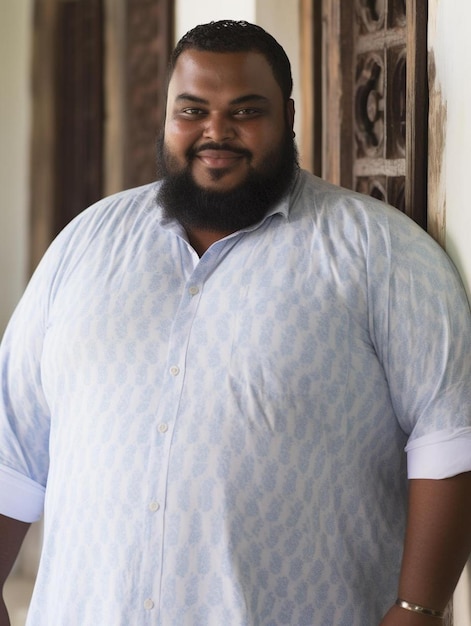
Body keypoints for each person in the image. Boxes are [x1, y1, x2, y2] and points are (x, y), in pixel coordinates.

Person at [1, 19, 471, 626]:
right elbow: (13, 442)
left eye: (246, 111)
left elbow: (450, 437)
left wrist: (418, 608)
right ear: (165, 115)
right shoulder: (85, 245)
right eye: (192, 110)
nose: (215, 132)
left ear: (289, 116)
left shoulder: (379, 252)